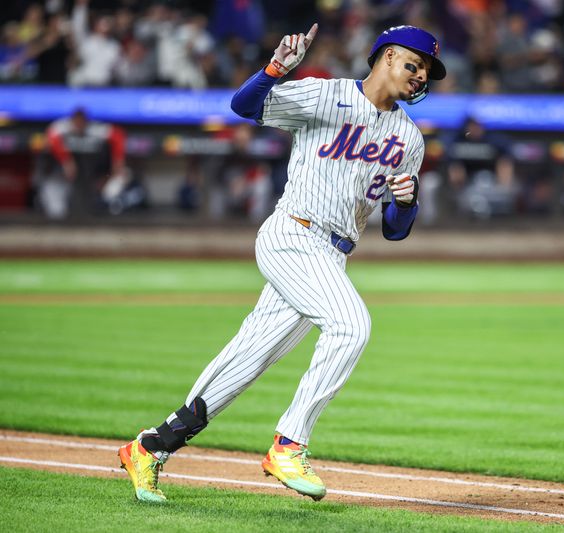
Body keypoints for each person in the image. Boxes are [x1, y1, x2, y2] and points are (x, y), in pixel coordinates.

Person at [118, 23, 446, 503]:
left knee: (246, 358)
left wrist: (408, 201)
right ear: (387, 56)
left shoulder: (409, 140)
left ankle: (149, 447)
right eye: (414, 65)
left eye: (427, 74)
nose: (420, 78)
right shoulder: (325, 96)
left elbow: (395, 229)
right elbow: (244, 107)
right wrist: (275, 70)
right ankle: (289, 445)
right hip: (293, 233)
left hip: (333, 256)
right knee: (351, 326)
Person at [39, 107, 126, 219]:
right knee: (56, 210)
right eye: (77, 122)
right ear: (72, 120)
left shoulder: (94, 128)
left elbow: (118, 135)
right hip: (58, 174)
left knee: (111, 190)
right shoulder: (62, 127)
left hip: (88, 173)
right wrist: (67, 161)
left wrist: (118, 161)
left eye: (82, 122)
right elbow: (51, 136)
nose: (79, 125)